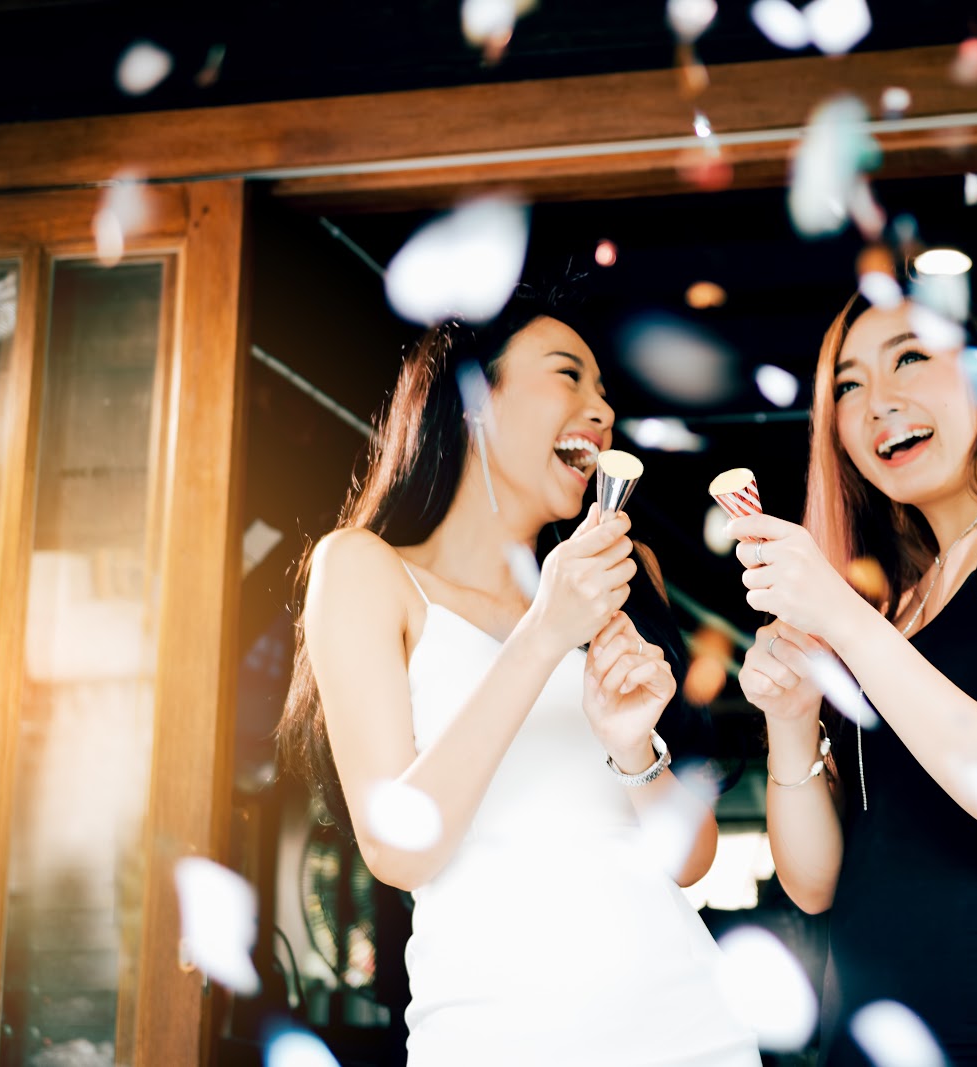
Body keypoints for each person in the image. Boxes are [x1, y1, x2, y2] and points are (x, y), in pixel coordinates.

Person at [276, 287, 758, 1067]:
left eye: (605, 393)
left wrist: (635, 751)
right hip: (494, 1035)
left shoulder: (627, 584)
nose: (601, 411)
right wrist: (542, 636)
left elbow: (692, 857)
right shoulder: (367, 571)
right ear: (473, 399)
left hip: (689, 1030)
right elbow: (399, 849)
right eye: (569, 376)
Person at [726, 293, 977, 1066]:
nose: (879, 402)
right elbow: (816, 884)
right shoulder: (897, 605)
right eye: (846, 386)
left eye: (911, 357)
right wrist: (789, 718)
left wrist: (845, 619)